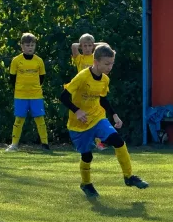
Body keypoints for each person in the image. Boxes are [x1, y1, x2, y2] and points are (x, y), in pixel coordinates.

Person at [59, 43, 149, 198]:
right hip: (78, 124)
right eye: (107, 64)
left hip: (98, 118)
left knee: (118, 141)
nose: (110, 67)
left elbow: (102, 99)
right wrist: (77, 111)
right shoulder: (82, 77)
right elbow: (63, 97)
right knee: (87, 156)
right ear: (96, 62)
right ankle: (86, 184)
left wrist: (114, 115)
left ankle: (129, 177)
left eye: (112, 63)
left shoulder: (105, 80)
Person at [6, 33, 50, 152]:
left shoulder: (39, 61)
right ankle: (14, 144)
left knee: (40, 119)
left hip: (36, 95)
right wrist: (20, 88)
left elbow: (42, 77)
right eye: (27, 45)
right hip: (20, 95)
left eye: (32, 45)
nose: (30, 47)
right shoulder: (16, 60)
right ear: (22, 46)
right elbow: (12, 78)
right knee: (19, 119)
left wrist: (34, 88)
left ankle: (45, 144)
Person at [71, 33, 106, 150]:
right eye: (84, 46)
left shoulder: (95, 58)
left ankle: (99, 142)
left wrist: (93, 44)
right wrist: (82, 44)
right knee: (83, 118)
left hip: (94, 89)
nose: (87, 48)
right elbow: (73, 46)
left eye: (89, 46)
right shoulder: (79, 58)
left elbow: (105, 45)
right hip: (81, 92)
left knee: (97, 115)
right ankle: (83, 142)